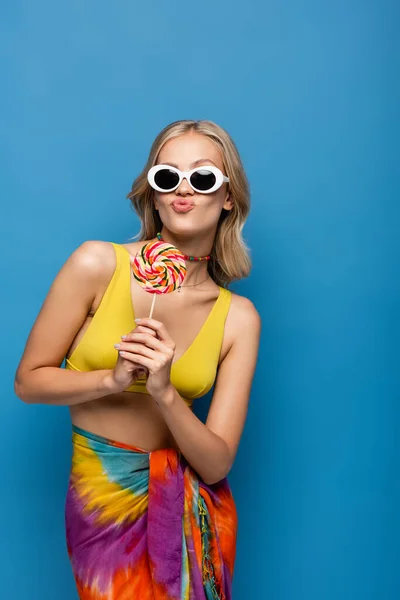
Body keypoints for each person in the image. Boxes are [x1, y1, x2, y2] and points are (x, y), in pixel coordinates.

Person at [14, 119, 261, 600]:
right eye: (167, 177)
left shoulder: (239, 319)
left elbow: (215, 464)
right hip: (101, 496)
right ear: (153, 193)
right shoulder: (96, 264)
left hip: (191, 502)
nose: (183, 189)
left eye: (203, 177)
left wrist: (165, 392)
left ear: (228, 197)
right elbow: (28, 382)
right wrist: (113, 378)